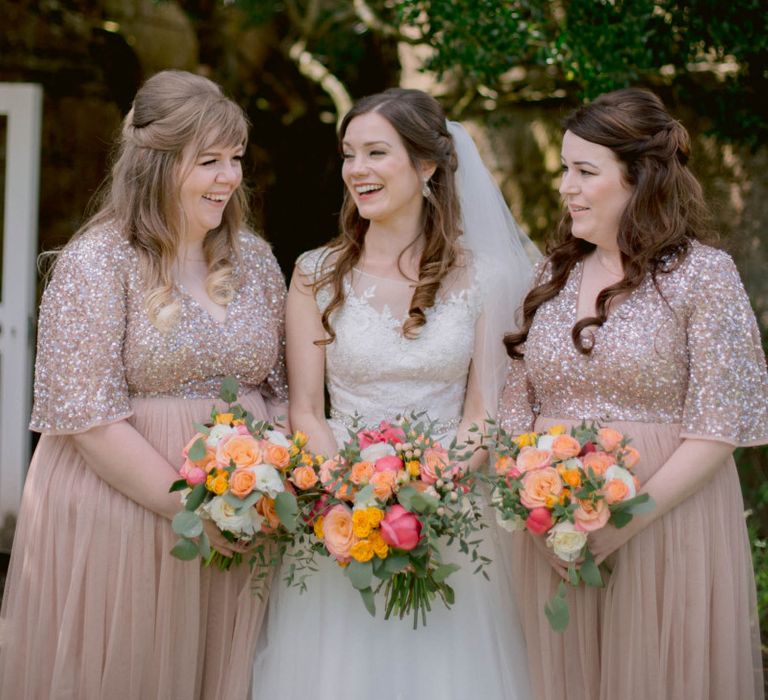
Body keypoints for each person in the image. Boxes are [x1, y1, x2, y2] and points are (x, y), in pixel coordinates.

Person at [0, 70, 288, 699]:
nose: (229, 178)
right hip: (129, 516)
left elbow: (282, 388)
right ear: (157, 166)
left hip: (246, 515)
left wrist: (267, 485)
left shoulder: (257, 260)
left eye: (235, 158)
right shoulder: (96, 262)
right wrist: (191, 508)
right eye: (208, 161)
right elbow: (88, 419)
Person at [250, 88, 536, 699]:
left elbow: (483, 412)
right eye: (350, 154)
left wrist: (429, 497)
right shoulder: (315, 273)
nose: (357, 169)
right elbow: (306, 406)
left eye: (376, 153)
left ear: (426, 165)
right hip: (341, 511)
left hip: (452, 510)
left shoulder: (484, 275)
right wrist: (351, 497)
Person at [499, 87, 767, 700]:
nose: (565, 186)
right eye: (564, 168)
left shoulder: (703, 274)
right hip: (552, 530)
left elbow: (719, 426)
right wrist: (536, 503)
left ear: (638, 179)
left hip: (665, 522)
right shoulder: (552, 274)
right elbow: (518, 403)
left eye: (584, 171)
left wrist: (619, 521)